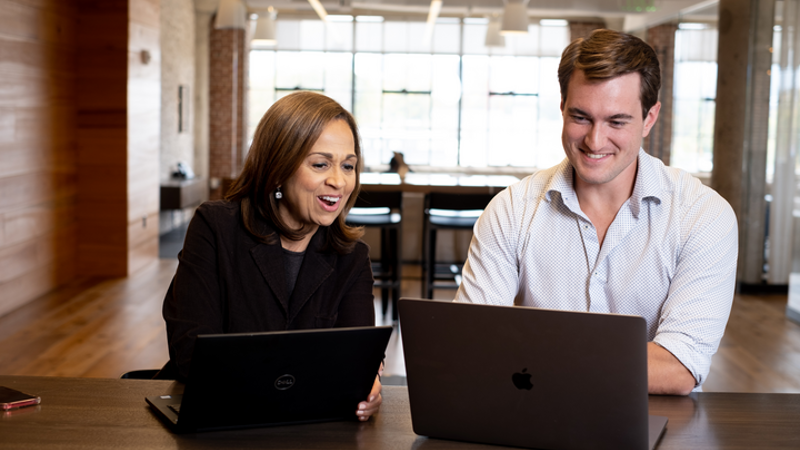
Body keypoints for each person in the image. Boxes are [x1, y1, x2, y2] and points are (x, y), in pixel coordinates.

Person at [454, 29, 738, 396]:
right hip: (536, 414)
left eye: (616, 122)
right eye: (581, 117)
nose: (595, 141)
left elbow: (677, 367)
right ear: (562, 107)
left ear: (649, 118)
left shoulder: (702, 215)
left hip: (653, 415)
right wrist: (607, 363)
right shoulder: (511, 211)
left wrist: (531, 357)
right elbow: (471, 343)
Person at [161, 91, 383, 420]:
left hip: (311, 426)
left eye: (348, 166)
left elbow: (356, 362)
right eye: (320, 164)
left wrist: (369, 383)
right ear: (278, 168)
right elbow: (192, 354)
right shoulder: (215, 227)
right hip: (218, 417)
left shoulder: (352, 256)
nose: (338, 181)